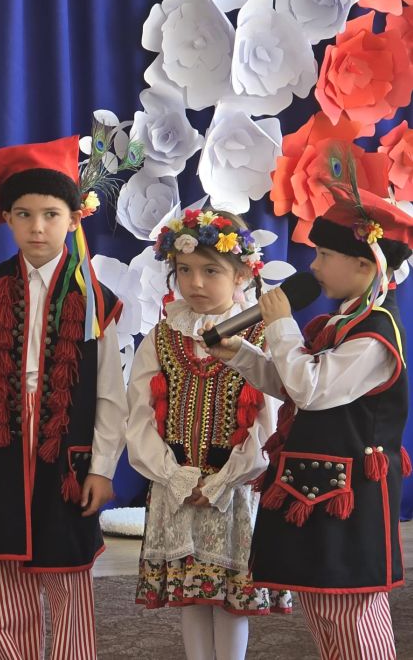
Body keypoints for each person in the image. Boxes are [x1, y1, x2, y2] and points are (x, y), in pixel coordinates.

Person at [208, 189, 412, 659]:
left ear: (364, 265)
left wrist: (281, 324)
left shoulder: (375, 336)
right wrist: (241, 353)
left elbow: (311, 389)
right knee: (322, 605)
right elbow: (293, 382)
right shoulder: (339, 323)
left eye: (323, 255)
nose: (313, 266)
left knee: (351, 610)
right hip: (316, 487)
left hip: (350, 497)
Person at [0, 136, 127, 659]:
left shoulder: (96, 299)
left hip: (66, 454)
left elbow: (110, 393)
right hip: (4, 446)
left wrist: (102, 467)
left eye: (50, 215)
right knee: (6, 569)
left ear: (73, 219)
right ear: (7, 219)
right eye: (24, 215)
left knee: (68, 571)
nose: (37, 227)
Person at [126, 208, 291, 660]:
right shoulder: (162, 337)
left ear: (242, 274)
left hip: (234, 491)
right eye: (184, 270)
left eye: (210, 271)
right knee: (191, 594)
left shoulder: (260, 336)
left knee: (230, 601)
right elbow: (138, 417)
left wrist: (223, 481)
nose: (195, 282)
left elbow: (269, 423)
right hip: (176, 487)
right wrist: (174, 476)